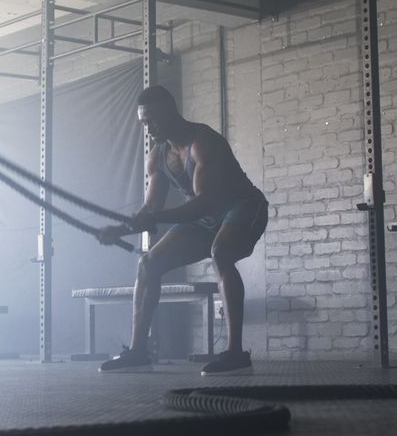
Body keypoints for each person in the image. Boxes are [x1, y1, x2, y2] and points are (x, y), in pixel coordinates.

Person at [97, 86, 268, 376]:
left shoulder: (204, 141)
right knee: (149, 263)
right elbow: (151, 211)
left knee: (221, 252)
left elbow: (202, 203)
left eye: (153, 120)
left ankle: (236, 354)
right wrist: (120, 230)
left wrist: (152, 219)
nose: (149, 129)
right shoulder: (158, 156)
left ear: (169, 111)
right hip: (204, 219)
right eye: (144, 123)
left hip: (242, 207)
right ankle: (138, 352)